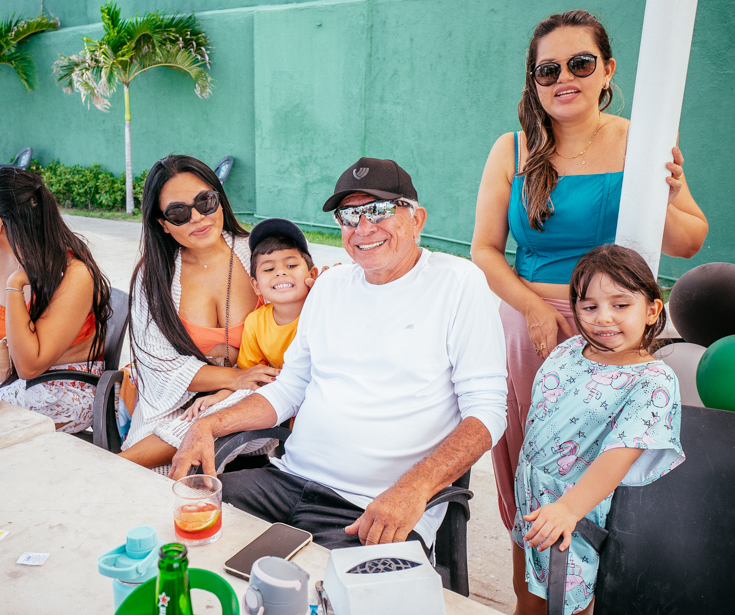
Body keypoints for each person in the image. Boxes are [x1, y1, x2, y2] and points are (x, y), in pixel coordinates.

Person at [468, 10, 707, 599]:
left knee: (609, 470)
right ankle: (534, 595)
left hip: (614, 326)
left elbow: (688, 239)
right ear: (533, 79)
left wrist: (670, 190)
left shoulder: (641, 138)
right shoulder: (512, 148)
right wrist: (531, 308)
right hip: (534, 325)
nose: (563, 79)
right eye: (547, 69)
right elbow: (485, 249)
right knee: (534, 468)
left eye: (580, 63)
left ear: (608, 71)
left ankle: (592, 593)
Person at [169, 158, 509, 551]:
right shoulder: (330, 286)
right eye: (349, 216)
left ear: (417, 219)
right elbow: (289, 388)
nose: (363, 229)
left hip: (373, 509)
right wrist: (209, 425)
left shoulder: (458, 283)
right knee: (187, 541)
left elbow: (486, 411)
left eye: (378, 210)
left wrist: (414, 489)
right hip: (286, 482)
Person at [513, 244, 684, 614]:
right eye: (589, 307)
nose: (603, 318)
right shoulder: (570, 349)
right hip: (531, 503)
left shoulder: (653, 380)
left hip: (574, 516)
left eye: (620, 305)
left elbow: (620, 453)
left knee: (563, 606)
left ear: (652, 308)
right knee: (525, 596)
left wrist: (568, 510)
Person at [119, 155, 280, 472]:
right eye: (178, 212)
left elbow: (296, 333)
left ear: (220, 201)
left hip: (252, 400)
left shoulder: (264, 256)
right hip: (175, 404)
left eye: (205, 201)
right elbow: (159, 366)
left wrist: (234, 384)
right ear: (161, 224)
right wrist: (235, 375)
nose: (197, 217)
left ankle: (112, 469)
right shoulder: (153, 277)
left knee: (249, 394)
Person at [0, 166, 111, 433]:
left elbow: (29, 366)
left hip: (61, 386)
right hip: (2, 378)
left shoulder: (74, 273)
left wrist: (14, 287)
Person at [181, 218, 318, 421]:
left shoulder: (321, 310)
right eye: (269, 269)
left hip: (323, 401)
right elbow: (250, 375)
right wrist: (221, 395)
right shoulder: (256, 322)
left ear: (312, 274)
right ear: (255, 286)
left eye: (291, 265)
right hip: (285, 405)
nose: (281, 272)